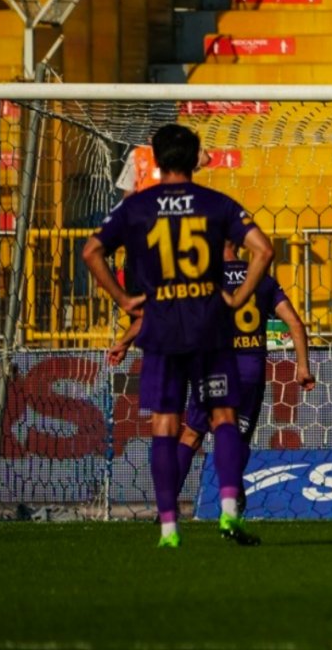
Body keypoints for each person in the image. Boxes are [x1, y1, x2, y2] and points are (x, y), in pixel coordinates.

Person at [82, 123, 274, 548]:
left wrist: (124, 300)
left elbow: (91, 251)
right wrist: (239, 295)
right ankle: (228, 513)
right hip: (209, 323)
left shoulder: (138, 206)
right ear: (195, 157)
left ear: (155, 157)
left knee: (166, 426)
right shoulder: (217, 203)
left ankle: (169, 526)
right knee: (223, 417)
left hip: (163, 328)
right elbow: (264, 249)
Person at [109, 241, 316, 512]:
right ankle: (233, 498)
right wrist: (303, 367)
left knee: (192, 434)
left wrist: (124, 342)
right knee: (236, 440)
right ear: (239, 245)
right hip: (249, 373)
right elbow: (295, 323)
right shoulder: (262, 280)